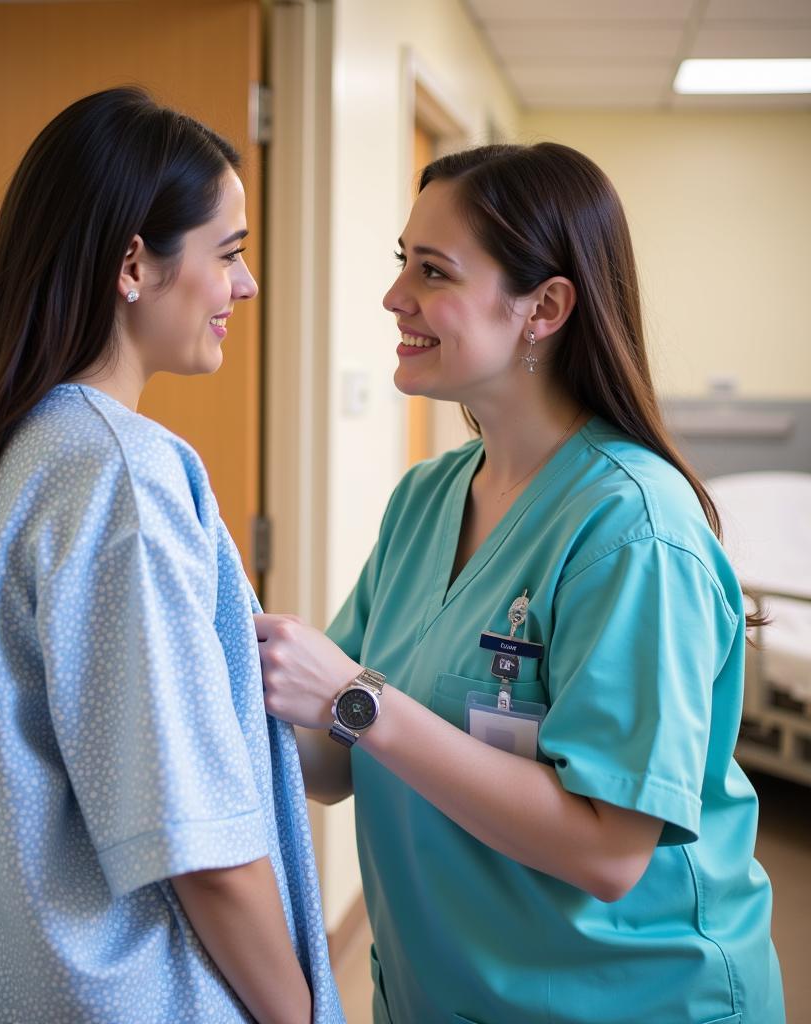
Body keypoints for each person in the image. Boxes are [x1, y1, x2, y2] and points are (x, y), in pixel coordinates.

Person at [257, 143, 784, 1024]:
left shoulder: (633, 531)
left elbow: (609, 850)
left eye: (433, 272)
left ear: (544, 307)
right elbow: (329, 759)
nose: (396, 297)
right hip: (444, 991)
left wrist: (357, 699)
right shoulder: (426, 501)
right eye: (402, 264)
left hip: (633, 1000)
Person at [0, 87, 342, 1024]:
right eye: (230, 254)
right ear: (133, 263)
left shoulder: (16, 443)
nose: (245, 286)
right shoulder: (123, 475)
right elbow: (196, 842)